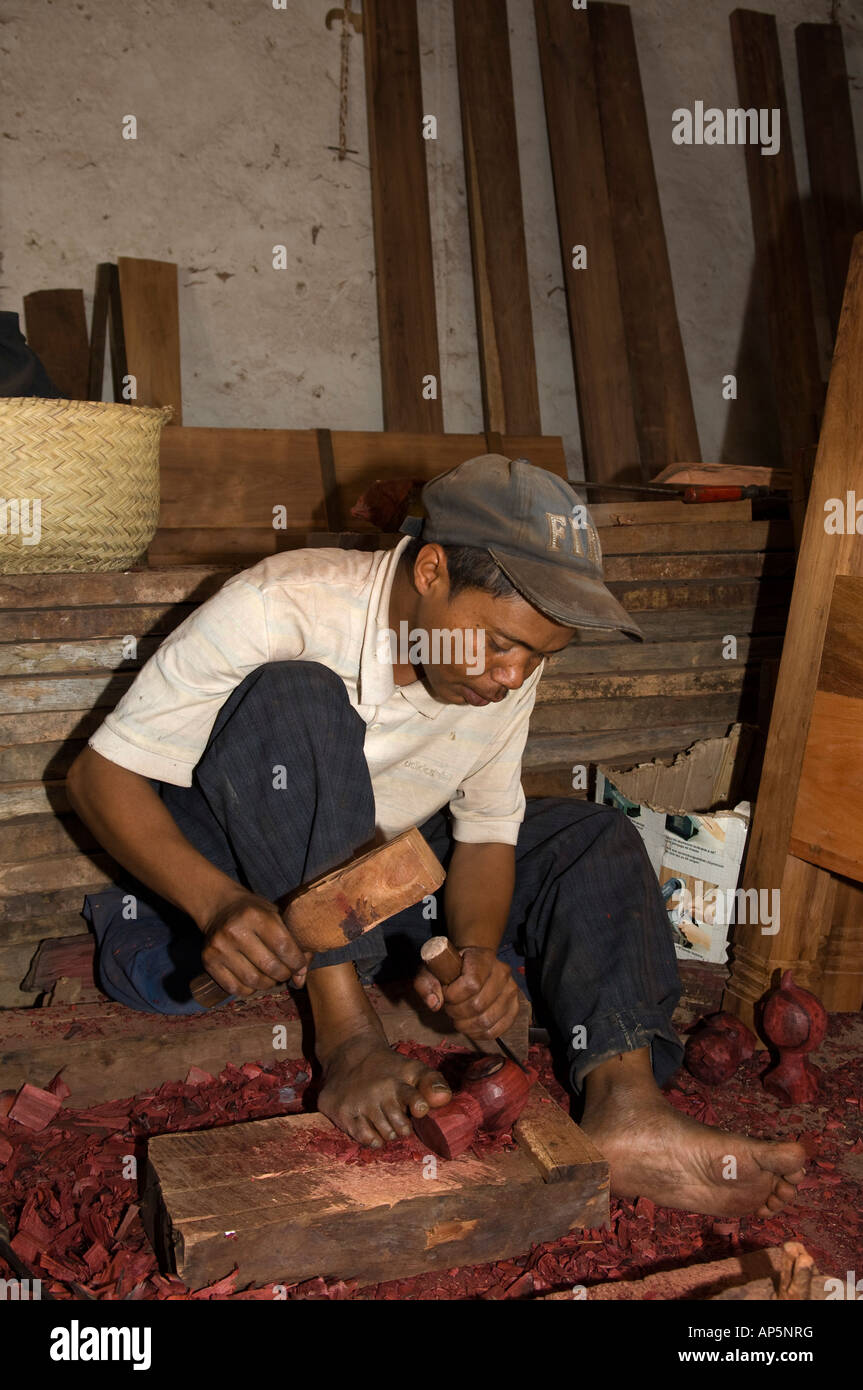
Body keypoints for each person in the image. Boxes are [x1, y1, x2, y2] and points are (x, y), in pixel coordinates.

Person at [67, 455, 806, 1217]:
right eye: (495, 645)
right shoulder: (279, 603)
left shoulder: (507, 655)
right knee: (297, 693)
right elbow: (100, 779)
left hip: (384, 879)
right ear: (428, 571)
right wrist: (216, 903)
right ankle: (347, 1034)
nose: (510, 676)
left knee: (590, 837)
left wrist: (476, 960)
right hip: (231, 886)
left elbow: (487, 831)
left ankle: (625, 1107)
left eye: (537, 656)